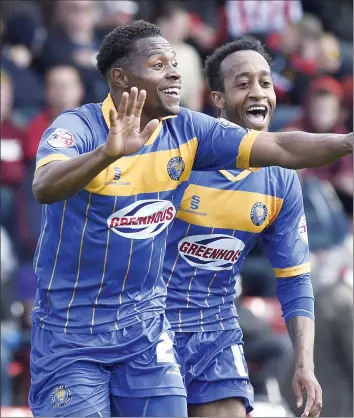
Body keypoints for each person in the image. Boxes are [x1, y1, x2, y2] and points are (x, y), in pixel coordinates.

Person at [30, 20, 351, 417]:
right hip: (72, 333)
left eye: (175, 63)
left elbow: (283, 146)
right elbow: (43, 185)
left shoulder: (191, 133)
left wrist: (348, 141)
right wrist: (105, 155)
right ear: (121, 77)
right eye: (159, 64)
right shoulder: (79, 127)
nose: (175, 72)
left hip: (150, 332)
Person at [163, 37, 323, 417]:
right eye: (243, 83)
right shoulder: (180, 158)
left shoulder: (281, 181)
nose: (258, 93)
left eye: (265, 83)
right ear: (217, 99)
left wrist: (305, 362)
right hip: (152, 324)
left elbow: (295, 278)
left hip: (216, 328)